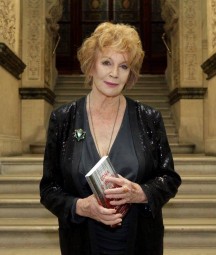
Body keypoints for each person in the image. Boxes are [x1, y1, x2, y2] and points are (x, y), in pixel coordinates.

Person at [40, 22, 181, 255]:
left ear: (130, 73)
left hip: (140, 242)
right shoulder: (63, 119)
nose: (114, 73)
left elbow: (169, 179)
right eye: (107, 62)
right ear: (91, 65)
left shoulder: (149, 118)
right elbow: (49, 189)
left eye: (123, 66)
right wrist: (81, 206)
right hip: (82, 243)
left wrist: (141, 192)